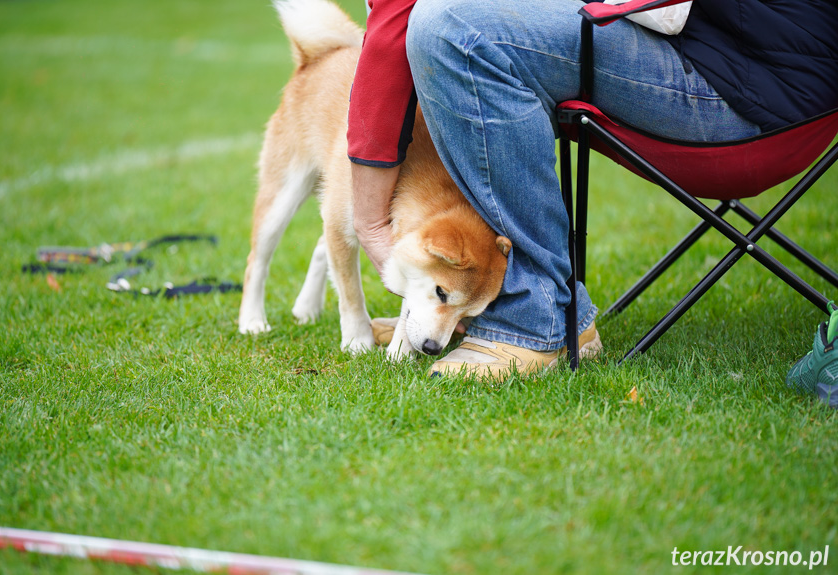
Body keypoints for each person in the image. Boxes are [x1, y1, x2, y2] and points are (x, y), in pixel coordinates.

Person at [347, 0, 838, 380]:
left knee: (454, 29)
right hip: (779, 87)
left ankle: (536, 319)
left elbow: (397, 19)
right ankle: (535, 308)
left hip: (746, 91)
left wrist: (371, 222)